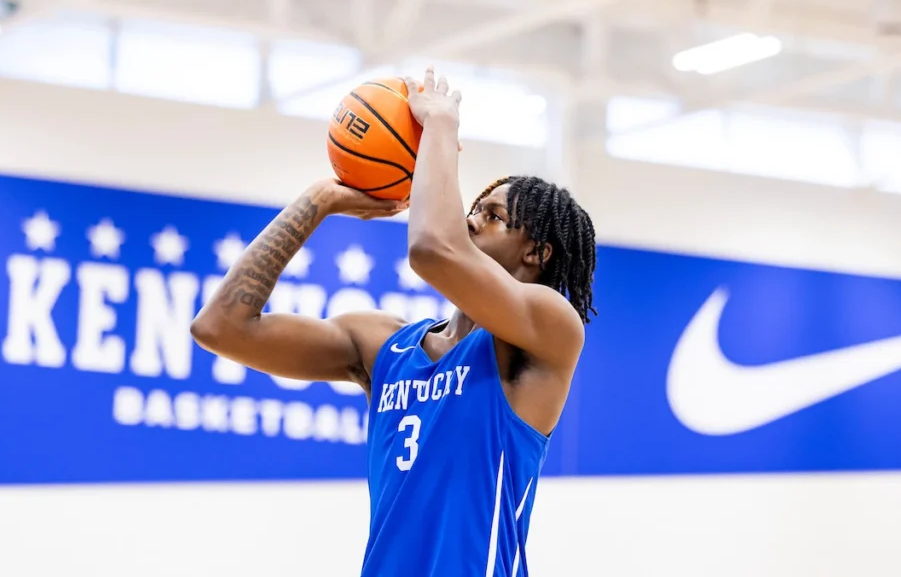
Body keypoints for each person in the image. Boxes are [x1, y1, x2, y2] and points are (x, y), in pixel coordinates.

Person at [190, 66, 597, 576]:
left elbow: (432, 248)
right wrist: (320, 201)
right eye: (472, 207)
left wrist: (441, 127)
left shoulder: (550, 328)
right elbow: (221, 327)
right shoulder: (384, 345)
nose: (471, 219)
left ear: (536, 252)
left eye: (491, 216)